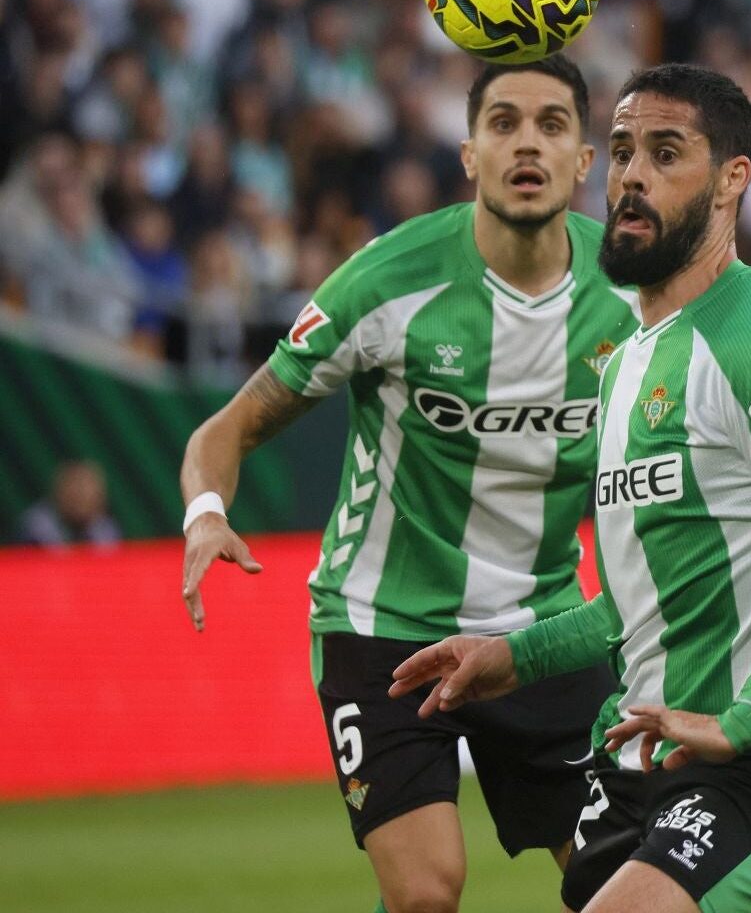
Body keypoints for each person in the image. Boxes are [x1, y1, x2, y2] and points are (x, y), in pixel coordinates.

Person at [388, 64, 751, 913]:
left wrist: (740, 722)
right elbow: (633, 606)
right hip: (638, 758)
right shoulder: (629, 360)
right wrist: (510, 657)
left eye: (665, 153)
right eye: (620, 152)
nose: (632, 177)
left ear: (733, 180)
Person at [178, 55, 639, 913]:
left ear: (586, 161)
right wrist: (207, 513)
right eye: (503, 124)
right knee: (428, 891)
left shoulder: (634, 296)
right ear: (469, 154)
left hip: (542, 628)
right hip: (382, 626)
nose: (525, 144)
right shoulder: (386, 281)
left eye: (551, 125)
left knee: (622, 884)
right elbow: (226, 429)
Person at [17, 459, 119, 550]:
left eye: (88, 492)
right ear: (58, 493)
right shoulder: (37, 525)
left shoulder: (104, 527)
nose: (81, 495)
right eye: (74, 492)